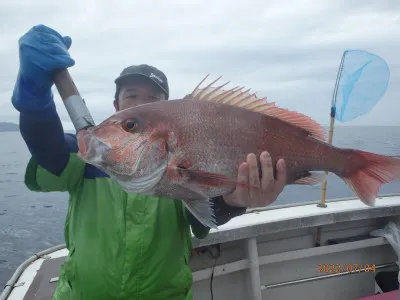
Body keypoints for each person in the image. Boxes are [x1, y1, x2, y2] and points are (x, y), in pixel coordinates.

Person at [11, 24, 287, 300]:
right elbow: (49, 149)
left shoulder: (182, 154)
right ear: (116, 105)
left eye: (153, 99)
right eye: (130, 96)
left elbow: (204, 216)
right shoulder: (90, 156)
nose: (138, 103)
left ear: (167, 112)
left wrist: (236, 201)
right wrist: (34, 98)